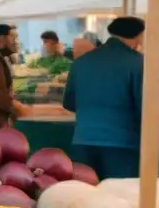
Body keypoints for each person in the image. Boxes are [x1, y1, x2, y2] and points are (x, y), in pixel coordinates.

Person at [62, 17, 146, 179]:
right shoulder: (139, 63)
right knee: (119, 197)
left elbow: (69, 102)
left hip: (83, 139)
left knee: (84, 194)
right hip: (123, 142)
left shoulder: (81, 62)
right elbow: (144, 105)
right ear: (138, 36)